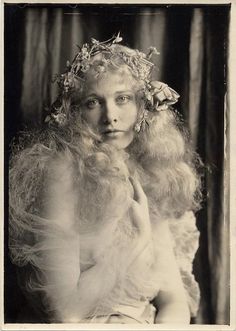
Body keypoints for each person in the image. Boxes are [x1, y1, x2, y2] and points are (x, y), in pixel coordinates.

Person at [9, 34, 202, 324]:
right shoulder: (62, 175)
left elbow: (173, 300)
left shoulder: (143, 170)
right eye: (93, 102)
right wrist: (138, 240)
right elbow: (67, 313)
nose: (110, 115)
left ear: (141, 106)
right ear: (75, 113)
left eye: (122, 99)